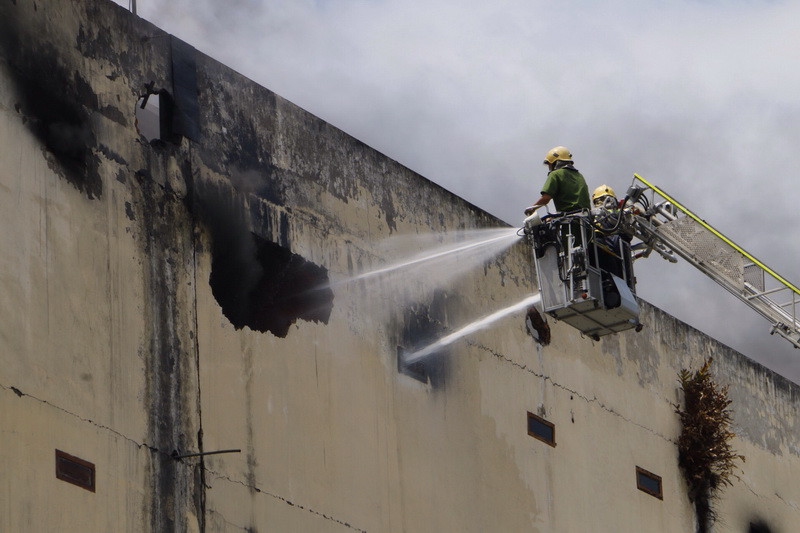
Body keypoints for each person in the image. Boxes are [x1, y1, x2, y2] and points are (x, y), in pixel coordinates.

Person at [524, 146, 591, 216]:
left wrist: (532, 208)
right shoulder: (579, 176)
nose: (549, 167)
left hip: (569, 217)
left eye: (549, 164)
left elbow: (546, 197)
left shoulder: (555, 174)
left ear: (556, 162)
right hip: (586, 217)